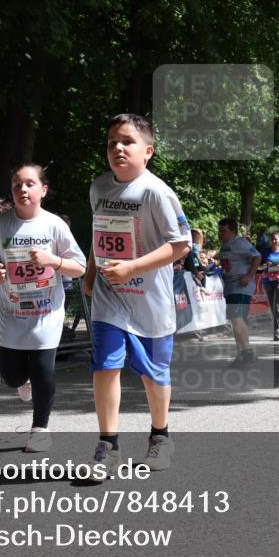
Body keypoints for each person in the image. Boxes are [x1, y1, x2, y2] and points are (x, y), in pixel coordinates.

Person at [82, 114, 191, 480]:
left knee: (153, 374)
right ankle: (107, 445)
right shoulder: (99, 188)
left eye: (127, 141)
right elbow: (99, 234)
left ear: (148, 151)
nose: (117, 148)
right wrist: (92, 270)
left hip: (150, 300)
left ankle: (161, 436)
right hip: (109, 298)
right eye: (112, 141)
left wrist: (132, 268)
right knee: (105, 365)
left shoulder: (156, 192)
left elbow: (181, 245)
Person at [0, 165, 86, 453]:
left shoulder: (54, 225)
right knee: (12, 377)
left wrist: (52, 261)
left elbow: (79, 267)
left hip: (46, 313)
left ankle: (40, 428)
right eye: (17, 185)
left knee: (44, 372)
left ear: (43, 190)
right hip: (11, 313)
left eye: (30, 184)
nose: (23, 190)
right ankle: (21, 379)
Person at [217, 217, 261, 366]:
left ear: (233, 231)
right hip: (230, 286)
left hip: (241, 286)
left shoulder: (240, 242)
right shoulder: (225, 246)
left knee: (236, 317)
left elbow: (257, 256)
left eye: (224, 231)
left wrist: (249, 276)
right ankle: (242, 354)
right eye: (219, 231)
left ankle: (247, 351)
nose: (220, 234)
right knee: (236, 320)